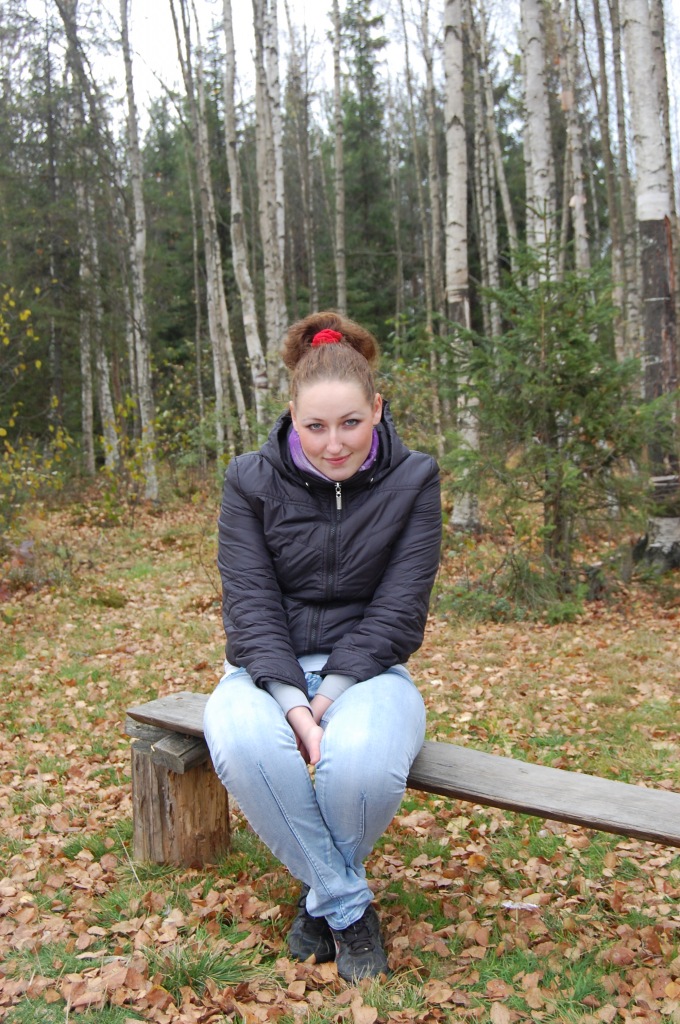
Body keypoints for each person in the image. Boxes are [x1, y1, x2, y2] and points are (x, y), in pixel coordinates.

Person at [203, 311, 441, 982]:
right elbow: (250, 606)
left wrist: (329, 696)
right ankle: (345, 905)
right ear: (292, 417)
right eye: (315, 427)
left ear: (378, 409)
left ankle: (320, 902)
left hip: (369, 673)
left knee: (363, 767)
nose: (333, 444)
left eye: (350, 423)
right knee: (243, 743)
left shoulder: (415, 479)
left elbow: (399, 611)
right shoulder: (249, 480)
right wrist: (293, 705)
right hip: (263, 670)